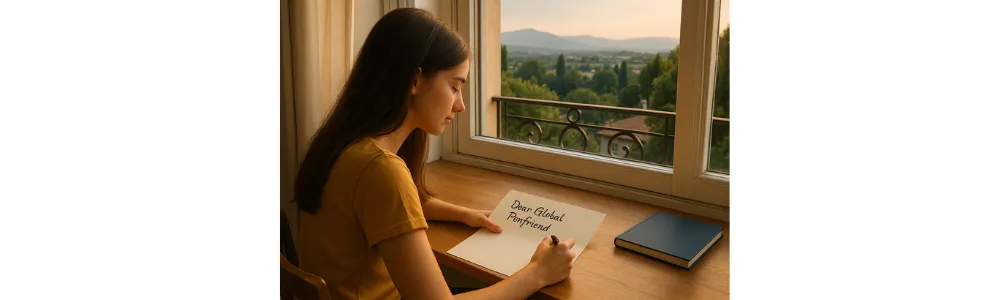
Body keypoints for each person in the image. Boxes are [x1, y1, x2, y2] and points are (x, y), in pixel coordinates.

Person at [294, 7, 577, 300]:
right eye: (455, 87)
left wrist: (462, 213)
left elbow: (383, 205)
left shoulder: (343, 145)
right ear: (414, 81)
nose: (461, 105)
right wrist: (538, 272)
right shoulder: (381, 169)